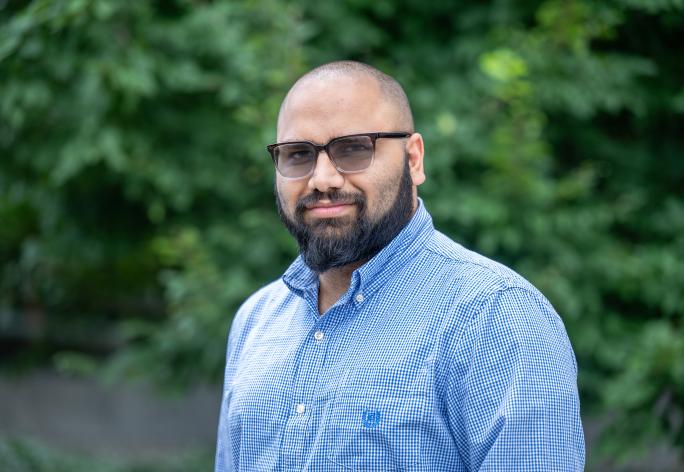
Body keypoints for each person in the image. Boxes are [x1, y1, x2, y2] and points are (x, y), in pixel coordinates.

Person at [215, 61, 585, 471]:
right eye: (298, 154)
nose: (322, 178)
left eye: (353, 148)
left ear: (413, 159)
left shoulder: (496, 317)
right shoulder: (256, 321)